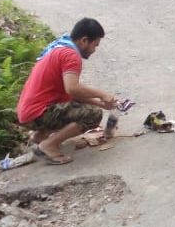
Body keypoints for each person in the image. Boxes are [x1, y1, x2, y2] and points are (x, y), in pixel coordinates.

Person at [16, 18, 118, 165]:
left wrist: (101, 103)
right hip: (39, 112)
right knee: (93, 115)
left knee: (81, 107)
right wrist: (103, 95)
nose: (94, 50)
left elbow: (72, 93)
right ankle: (49, 145)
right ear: (84, 40)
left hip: (27, 112)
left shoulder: (59, 47)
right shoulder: (71, 55)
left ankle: (40, 136)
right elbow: (73, 88)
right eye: (94, 45)